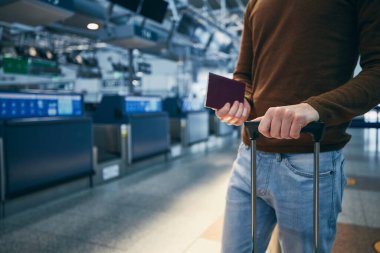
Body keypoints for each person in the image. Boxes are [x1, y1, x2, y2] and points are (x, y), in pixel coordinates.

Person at [215, 0, 380, 252]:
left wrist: (315, 107)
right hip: (249, 156)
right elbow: (244, 74)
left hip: (311, 161)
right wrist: (240, 100)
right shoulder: (254, 2)